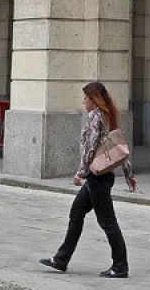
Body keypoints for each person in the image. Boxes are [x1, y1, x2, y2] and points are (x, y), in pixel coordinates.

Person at [40, 81, 136, 279]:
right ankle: (61, 259)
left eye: (86, 98)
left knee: (108, 222)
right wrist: (128, 174)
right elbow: (118, 148)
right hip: (101, 177)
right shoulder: (109, 116)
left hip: (96, 178)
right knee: (77, 212)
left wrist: (80, 173)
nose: (83, 102)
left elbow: (90, 149)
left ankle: (120, 266)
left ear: (94, 100)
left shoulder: (95, 117)